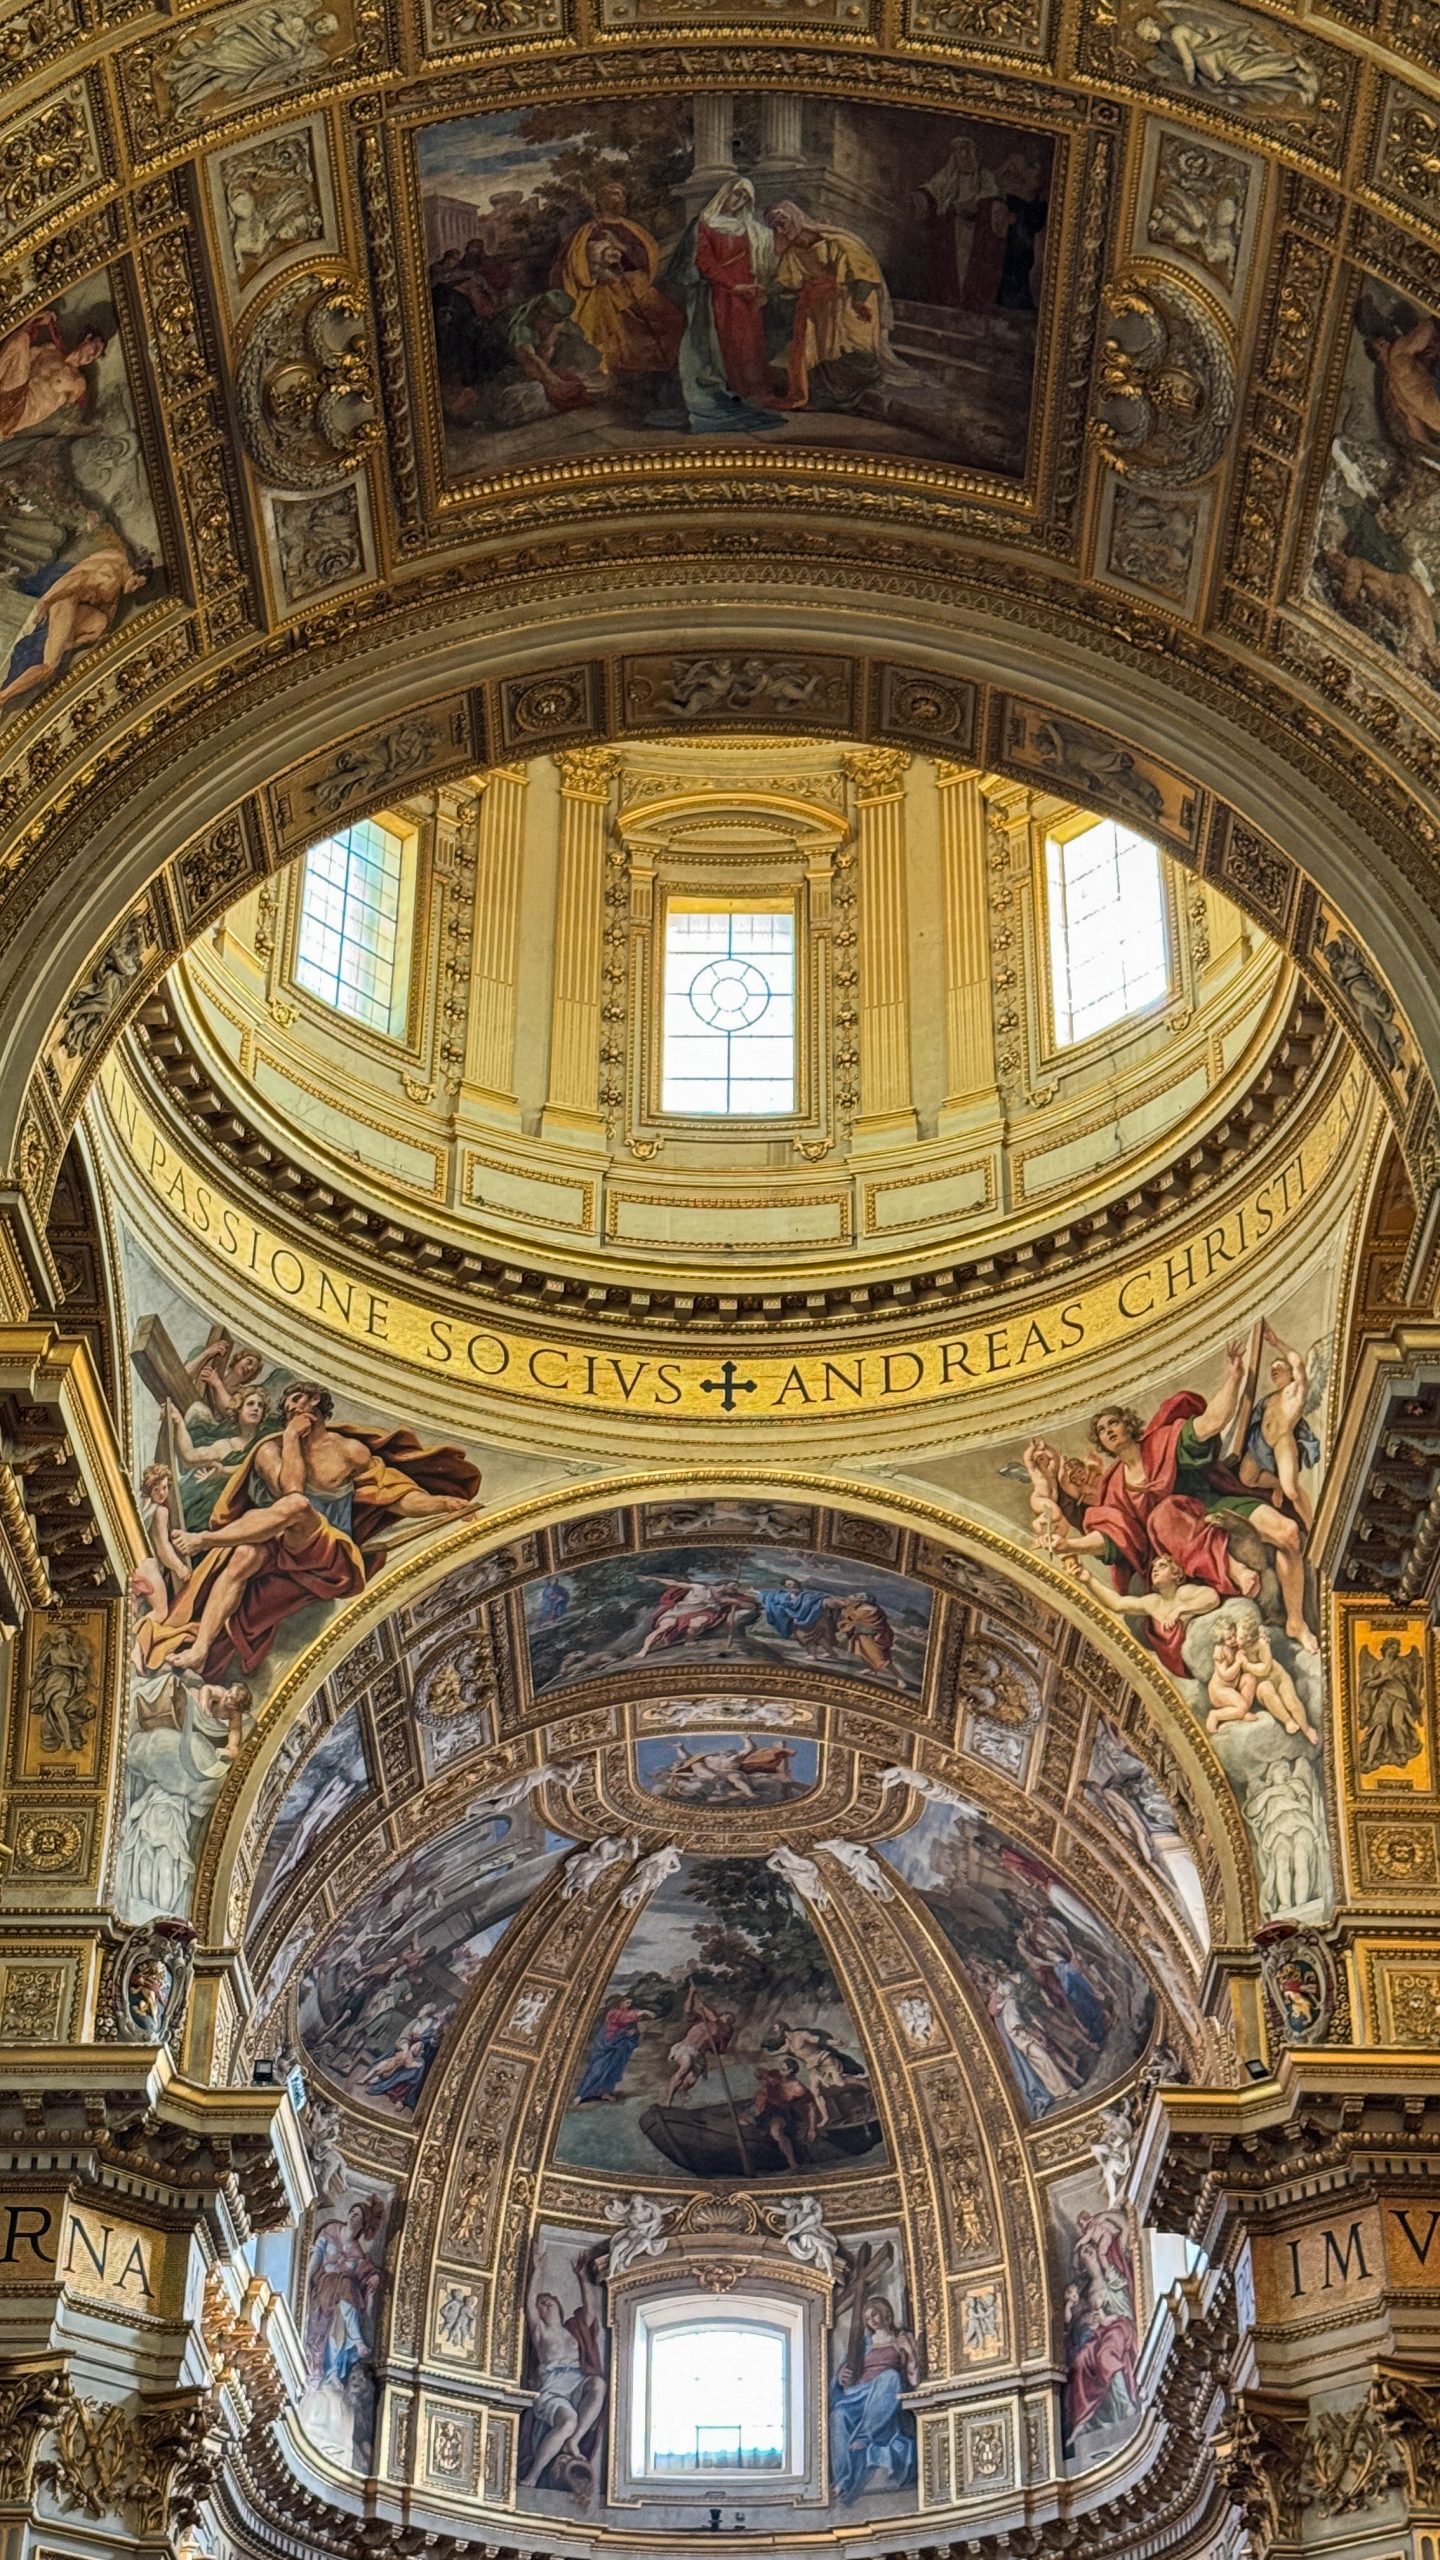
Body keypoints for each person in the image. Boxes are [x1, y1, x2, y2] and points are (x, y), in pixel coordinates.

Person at [133, 1382, 481, 1680]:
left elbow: (399, 1497)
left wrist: (443, 1504)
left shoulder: (350, 1451)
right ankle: (200, 1648)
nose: (290, 1411)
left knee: (300, 1509)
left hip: (329, 1554)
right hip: (279, 1542)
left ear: (315, 1403)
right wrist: (289, 1439)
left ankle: (203, 1542)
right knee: (244, 1554)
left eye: (296, 1403)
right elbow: (291, 1486)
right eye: (285, 1409)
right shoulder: (270, 1450)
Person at [1033, 1344, 1319, 1651]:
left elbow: (1210, 1424)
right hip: (1172, 1539)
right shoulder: (1114, 1487)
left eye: (1113, 1423)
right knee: (1164, 1513)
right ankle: (1233, 1569)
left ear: (1127, 1425)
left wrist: (1234, 1377)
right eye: (1102, 1430)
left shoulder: (1161, 1441)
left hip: (1211, 1507)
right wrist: (1070, 1545)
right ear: (1101, 1442)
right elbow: (1111, 1537)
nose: (1109, 1431)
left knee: (1288, 1534)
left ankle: (1296, 1620)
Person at [663, 177, 785, 434]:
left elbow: (772, 251)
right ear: (725, 194)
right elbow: (705, 262)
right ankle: (722, 393)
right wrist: (732, 285)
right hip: (718, 293)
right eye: (736, 195)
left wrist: (753, 285)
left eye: (744, 198)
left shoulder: (749, 227)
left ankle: (750, 392)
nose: (738, 201)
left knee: (747, 343)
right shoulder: (705, 224)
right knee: (720, 343)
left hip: (746, 293)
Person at [765, 200, 891, 411]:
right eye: (775, 226)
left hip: (848, 301)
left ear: (795, 217)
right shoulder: (794, 251)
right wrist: (762, 292)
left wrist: (859, 300)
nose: (780, 229)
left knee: (852, 345)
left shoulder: (835, 240)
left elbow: (862, 269)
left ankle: (857, 387)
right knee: (818, 350)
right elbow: (785, 280)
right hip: (820, 307)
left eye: (782, 221)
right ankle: (829, 398)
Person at [555, 184, 683, 386]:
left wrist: (618, 244)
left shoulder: (631, 228)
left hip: (635, 285)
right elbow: (575, 264)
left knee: (670, 320)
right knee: (617, 340)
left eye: (622, 195)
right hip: (604, 290)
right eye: (614, 194)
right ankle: (629, 379)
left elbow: (644, 258)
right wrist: (598, 272)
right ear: (602, 199)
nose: (620, 199)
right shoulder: (587, 232)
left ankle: (666, 367)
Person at [0, 534, 148, 708]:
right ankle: (3, 696)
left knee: (99, 623)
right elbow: (76, 580)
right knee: (49, 667)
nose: (134, 588)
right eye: (137, 582)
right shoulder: (110, 578)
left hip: (73, 604)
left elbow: (103, 619)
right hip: (64, 600)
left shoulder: (118, 561)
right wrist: (45, 602)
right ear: (134, 572)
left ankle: (64, 643)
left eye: (138, 586)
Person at [518, 2259, 606, 2493]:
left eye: (548, 2301)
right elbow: (529, 2303)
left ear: (558, 2305)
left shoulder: (574, 2328)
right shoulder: (540, 2332)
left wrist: (582, 2278)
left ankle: (573, 2441)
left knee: (598, 2384)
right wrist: (536, 2270)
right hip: (553, 2388)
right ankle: (533, 2476)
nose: (544, 2305)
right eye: (541, 2304)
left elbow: (591, 2310)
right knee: (567, 2422)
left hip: (576, 2381)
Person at [1061, 1548, 1220, 1678]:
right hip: (1180, 1667)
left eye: (1162, 1566)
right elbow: (1117, 1604)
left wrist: (1179, 1610)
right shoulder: (1152, 1602)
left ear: (1176, 1574)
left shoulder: (1183, 1593)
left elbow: (1212, 1598)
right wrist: (1088, 1580)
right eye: (1154, 1569)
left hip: (1203, 1659)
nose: (1155, 1571)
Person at [830, 2298, 921, 2501]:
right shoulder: (864, 2345)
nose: (872, 2320)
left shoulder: (901, 2338)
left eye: (874, 2314)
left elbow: (914, 2378)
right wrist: (840, 2377)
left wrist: (910, 2352)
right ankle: (843, 2480)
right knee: (838, 2414)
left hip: (885, 2396)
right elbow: (844, 2374)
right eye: (867, 2318)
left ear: (885, 2313)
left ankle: (864, 2435)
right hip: (858, 2395)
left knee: (889, 2376)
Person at [1240, 1346, 1319, 1530]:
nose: (1274, 1370)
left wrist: (1275, 1342)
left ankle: (1311, 1526)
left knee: (1291, 1490)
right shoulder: (1268, 1399)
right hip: (1260, 1443)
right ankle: (1277, 1485)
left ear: (1291, 1373)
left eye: (1279, 1367)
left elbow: (1298, 1362)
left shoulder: (1295, 1390)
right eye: (1272, 1369)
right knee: (1246, 1478)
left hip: (1282, 1441)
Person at [0, 309, 107, 442]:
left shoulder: (78, 381)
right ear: (87, 338)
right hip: (14, 389)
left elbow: (75, 413)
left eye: (96, 356)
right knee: (20, 339)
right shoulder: (49, 350)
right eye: (95, 349)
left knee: (22, 338)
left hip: (24, 411)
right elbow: (19, 359)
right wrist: (37, 320)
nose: (92, 357)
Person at [1358, 1635, 1426, 1773]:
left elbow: (1410, 1685)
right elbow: (1370, 1684)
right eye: (1392, 1647)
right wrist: (1383, 1679)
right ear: (1386, 1648)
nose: (1394, 1651)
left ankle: (1401, 1753)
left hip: (1400, 1698)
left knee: (1396, 1724)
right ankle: (1369, 1760)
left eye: (1396, 1648)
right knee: (1378, 1728)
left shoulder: (1402, 1664)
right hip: (1384, 1699)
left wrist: (1417, 1701)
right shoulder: (1378, 1665)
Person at [663, 1981, 734, 2104]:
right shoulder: (701, 2020)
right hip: (686, 2048)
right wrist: (691, 1994)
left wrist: (704, 2007)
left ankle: (682, 2090)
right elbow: (688, 2010)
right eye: (725, 2016)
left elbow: (715, 2020)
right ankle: (668, 2099)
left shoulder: (724, 2031)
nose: (725, 2018)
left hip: (699, 2055)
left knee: (690, 2080)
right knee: (686, 2065)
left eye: (729, 2019)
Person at [575, 1996, 654, 2102]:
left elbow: (632, 2028)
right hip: (606, 2045)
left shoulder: (630, 2014)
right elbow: (623, 2017)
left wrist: (633, 2033)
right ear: (619, 2003)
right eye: (626, 2003)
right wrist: (643, 2011)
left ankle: (605, 2093)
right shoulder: (613, 2013)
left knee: (613, 2070)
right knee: (597, 2070)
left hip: (619, 2047)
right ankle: (582, 2094)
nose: (629, 2005)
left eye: (630, 2003)